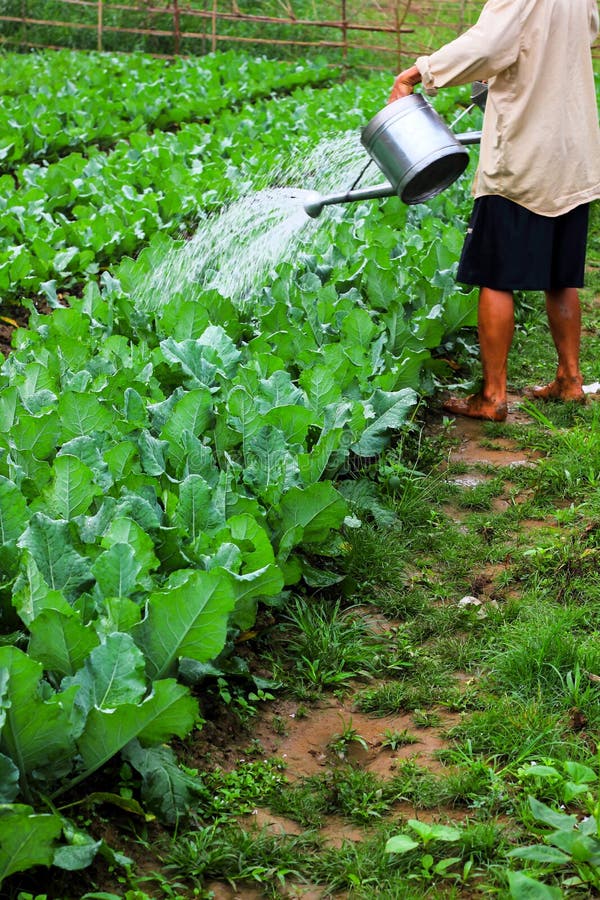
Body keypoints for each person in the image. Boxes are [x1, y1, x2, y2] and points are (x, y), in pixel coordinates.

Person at [389, 0, 600, 421]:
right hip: (571, 152)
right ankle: (570, 379)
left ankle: (492, 396)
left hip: (523, 155)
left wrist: (419, 72)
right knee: (561, 274)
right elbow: (584, 32)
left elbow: (488, 44)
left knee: (494, 276)